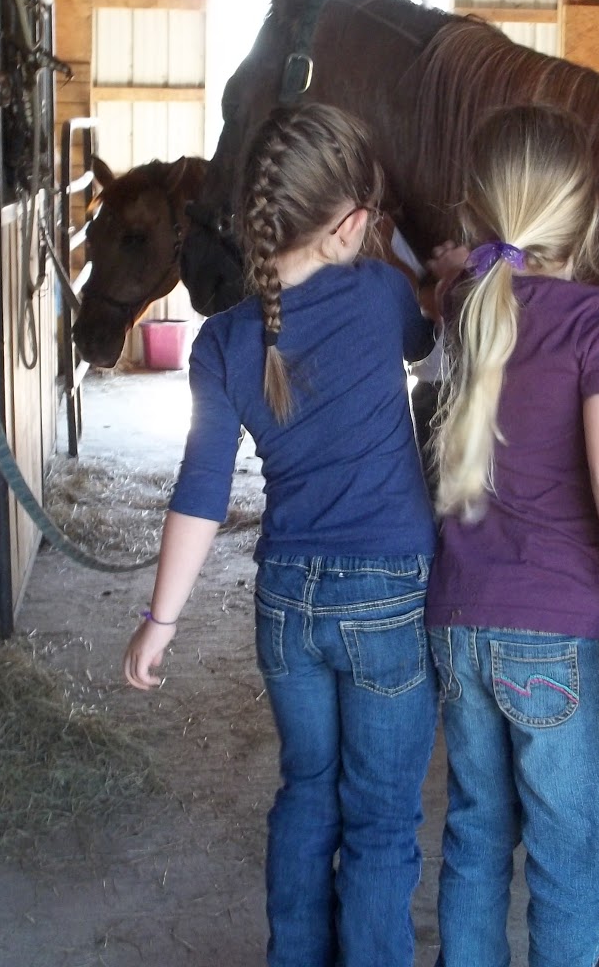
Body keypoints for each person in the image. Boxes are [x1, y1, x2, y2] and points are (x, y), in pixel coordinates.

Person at [122, 104, 441, 967]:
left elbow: (200, 492)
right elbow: (431, 333)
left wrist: (161, 622)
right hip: (386, 595)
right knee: (380, 816)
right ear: (349, 224)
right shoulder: (380, 295)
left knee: (308, 792)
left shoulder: (223, 343)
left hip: (286, 605)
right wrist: (424, 261)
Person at [425, 103, 599, 965]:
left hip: (458, 626)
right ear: (585, 209)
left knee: (475, 842)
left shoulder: (464, 309)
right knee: (571, 866)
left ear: (477, 209)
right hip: (554, 640)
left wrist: (456, 266)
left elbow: (463, 276)